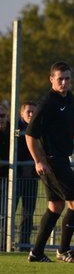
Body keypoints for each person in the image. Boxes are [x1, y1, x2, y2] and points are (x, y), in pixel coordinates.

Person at [25, 61, 74, 263]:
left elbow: (64, 128)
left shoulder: (70, 98)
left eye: (67, 78)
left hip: (61, 159)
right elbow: (30, 135)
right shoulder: (47, 103)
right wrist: (38, 161)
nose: (64, 82)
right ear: (51, 80)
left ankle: (36, 253)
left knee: (55, 207)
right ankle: (63, 250)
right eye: (60, 79)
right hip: (52, 161)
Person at [15, 102, 39, 251]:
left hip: (31, 178)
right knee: (8, 211)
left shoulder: (38, 128)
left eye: (33, 112)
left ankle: (24, 244)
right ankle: (4, 243)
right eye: (28, 111)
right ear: (21, 113)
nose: (31, 114)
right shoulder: (15, 128)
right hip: (15, 177)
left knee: (28, 213)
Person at [0, 104, 10, 251]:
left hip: (9, 178)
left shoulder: (12, 131)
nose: (0, 119)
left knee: (5, 214)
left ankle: (3, 245)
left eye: (2, 116)